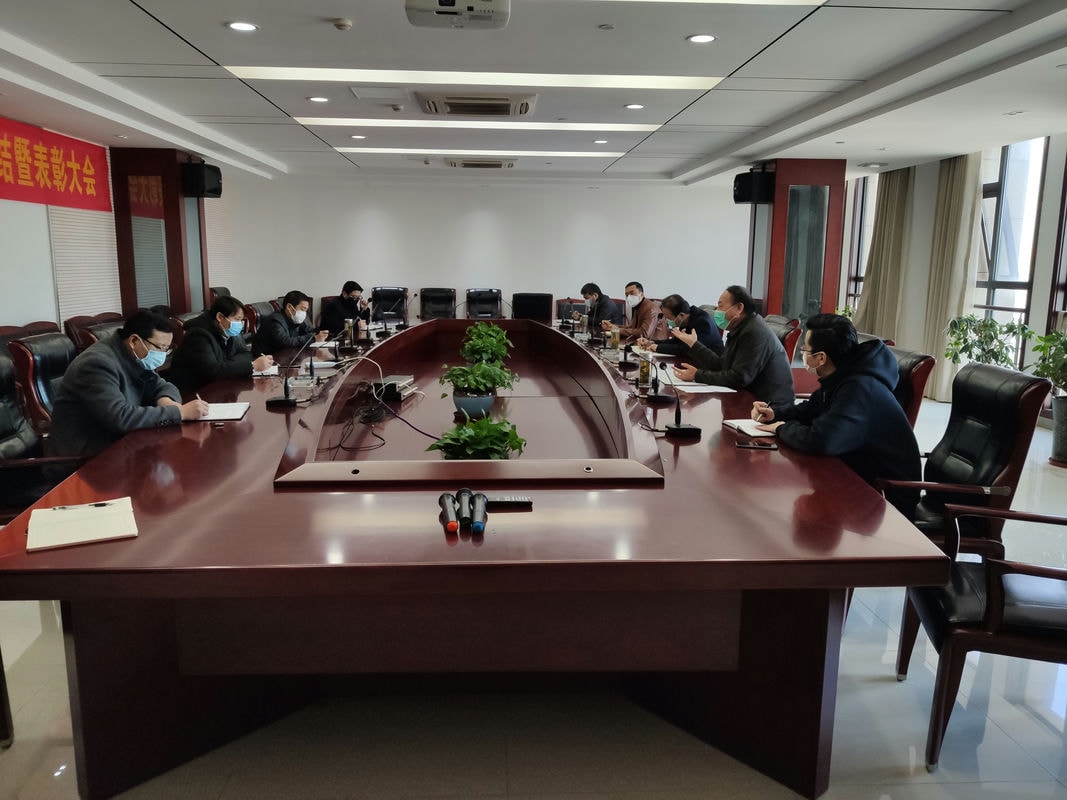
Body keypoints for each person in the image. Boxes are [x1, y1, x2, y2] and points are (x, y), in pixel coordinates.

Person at [751, 313, 921, 514]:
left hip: (885, 498)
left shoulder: (860, 388)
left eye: (805, 350)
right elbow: (811, 409)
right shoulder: (842, 375)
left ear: (821, 358)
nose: (803, 354)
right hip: (855, 473)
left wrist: (782, 428)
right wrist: (775, 413)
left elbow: (822, 440)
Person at [48, 310, 209, 458]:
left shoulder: (134, 354)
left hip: (121, 445)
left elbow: (164, 385)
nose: (162, 354)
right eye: (160, 348)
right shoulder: (97, 363)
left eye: (167, 349)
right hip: (86, 457)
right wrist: (179, 413)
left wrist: (166, 400)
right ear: (134, 340)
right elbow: (120, 417)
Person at [669, 284, 794, 405]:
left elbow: (739, 378)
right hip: (749, 398)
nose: (717, 312)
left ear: (739, 308)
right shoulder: (740, 328)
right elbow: (722, 365)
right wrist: (693, 344)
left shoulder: (754, 332)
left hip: (770, 406)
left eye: (720, 306)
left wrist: (697, 375)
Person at [167, 296, 274, 396]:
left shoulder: (227, 330)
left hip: (219, 386)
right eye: (237, 319)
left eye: (241, 320)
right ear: (220, 317)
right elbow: (213, 371)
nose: (240, 324)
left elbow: (246, 354)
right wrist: (252, 365)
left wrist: (227, 365)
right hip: (193, 394)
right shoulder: (198, 335)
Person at [637, 294, 723, 356]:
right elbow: (677, 341)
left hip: (712, 365)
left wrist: (658, 348)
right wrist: (653, 342)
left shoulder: (703, 322)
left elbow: (687, 349)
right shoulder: (686, 319)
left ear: (681, 315)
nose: (667, 321)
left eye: (669, 318)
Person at [253, 290, 328, 356]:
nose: (304, 313)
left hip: (284, 356)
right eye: (302, 309)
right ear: (289, 307)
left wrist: (318, 332)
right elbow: (286, 342)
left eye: (306, 310)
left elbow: (307, 330)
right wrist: (313, 338)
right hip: (265, 359)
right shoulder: (275, 321)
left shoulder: (293, 318)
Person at [601, 281, 666, 342]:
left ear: (642, 294)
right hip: (640, 343)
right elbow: (632, 328)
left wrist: (617, 330)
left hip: (655, 345)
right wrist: (612, 326)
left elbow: (644, 333)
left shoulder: (651, 308)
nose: (629, 297)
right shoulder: (637, 306)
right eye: (627, 295)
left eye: (632, 293)